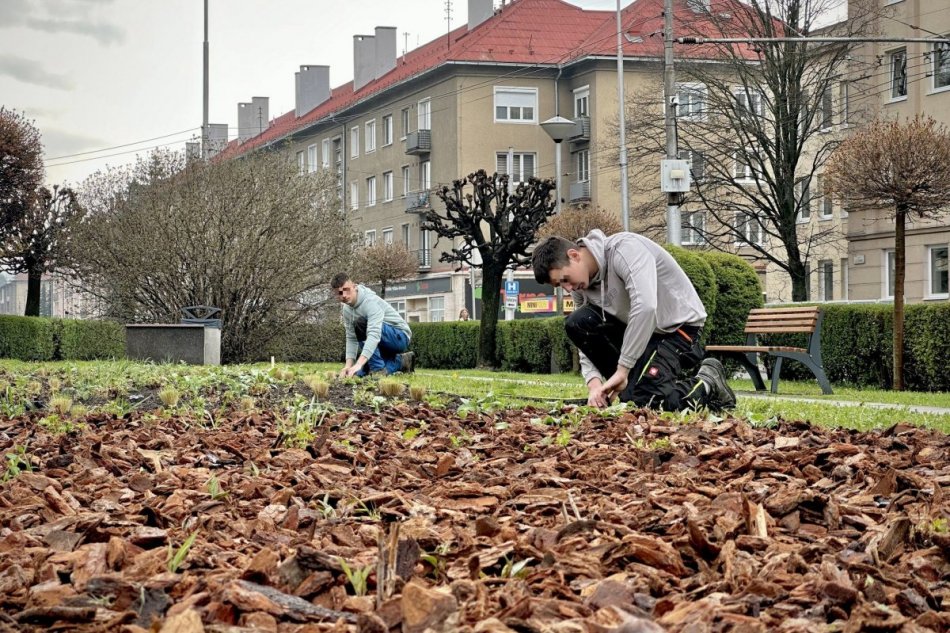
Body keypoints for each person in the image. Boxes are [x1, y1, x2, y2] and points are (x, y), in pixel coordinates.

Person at [531, 230, 735, 412]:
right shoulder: (581, 286)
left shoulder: (625, 249)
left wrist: (623, 369)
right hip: (639, 333)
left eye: (565, 279)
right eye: (560, 285)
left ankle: (708, 381)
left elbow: (645, 306)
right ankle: (633, 389)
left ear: (574, 255)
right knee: (577, 321)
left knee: (651, 403)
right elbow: (583, 337)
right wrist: (593, 384)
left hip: (677, 330)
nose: (568, 288)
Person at [331, 272, 415, 378]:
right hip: (380, 339)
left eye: (346, 290)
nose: (344, 296)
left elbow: (373, 334)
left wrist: (358, 364)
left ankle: (377, 368)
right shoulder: (346, 310)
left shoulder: (369, 302)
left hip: (399, 337)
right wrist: (348, 366)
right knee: (360, 373)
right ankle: (402, 361)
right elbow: (351, 337)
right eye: (339, 293)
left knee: (360, 323)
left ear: (354, 286)